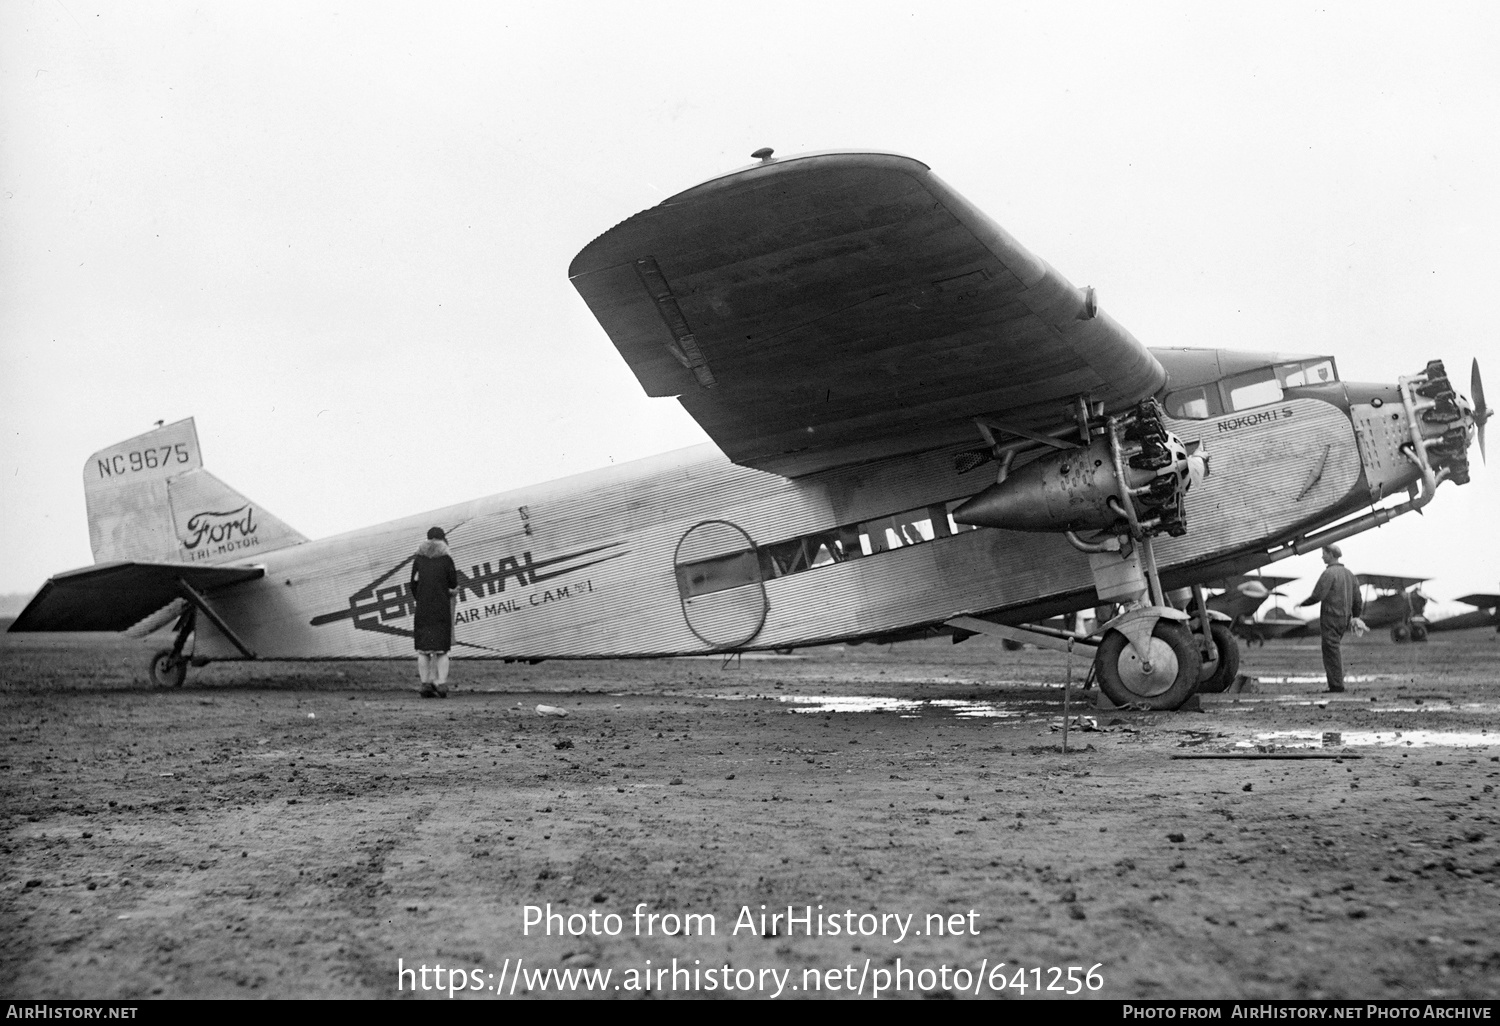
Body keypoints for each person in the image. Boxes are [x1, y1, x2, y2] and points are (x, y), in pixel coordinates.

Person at [1297, 545, 1367, 692]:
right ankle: (1337, 683)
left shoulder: (1329, 573)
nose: (1322, 556)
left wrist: (1302, 604)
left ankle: (1336, 686)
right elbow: (1358, 599)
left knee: (1331, 652)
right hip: (1344, 620)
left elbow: (1318, 595)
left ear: (1330, 554)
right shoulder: (1350, 574)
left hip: (1330, 619)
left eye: (1324, 553)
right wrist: (1356, 616)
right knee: (1334, 650)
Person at [410, 526, 458, 697]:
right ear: (443, 539)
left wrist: (422, 597)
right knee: (442, 649)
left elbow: (413, 585)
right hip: (441, 607)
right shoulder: (446, 559)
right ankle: (441, 683)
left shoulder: (419, 560)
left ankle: (426, 684)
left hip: (423, 608)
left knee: (423, 649)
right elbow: (453, 583)